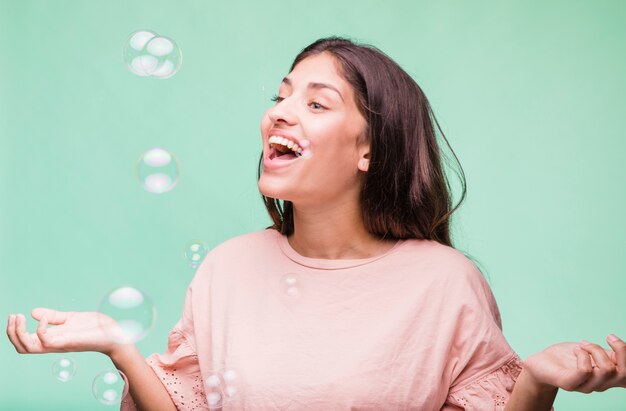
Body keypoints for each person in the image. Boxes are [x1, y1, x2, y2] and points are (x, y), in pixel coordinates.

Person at [6, 37, 625, 411]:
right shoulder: (228, 266)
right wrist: (119, 346)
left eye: (316, 103)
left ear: (371, 150)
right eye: (280, 95)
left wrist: (539, 383)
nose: (280, 113)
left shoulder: (445, 283)